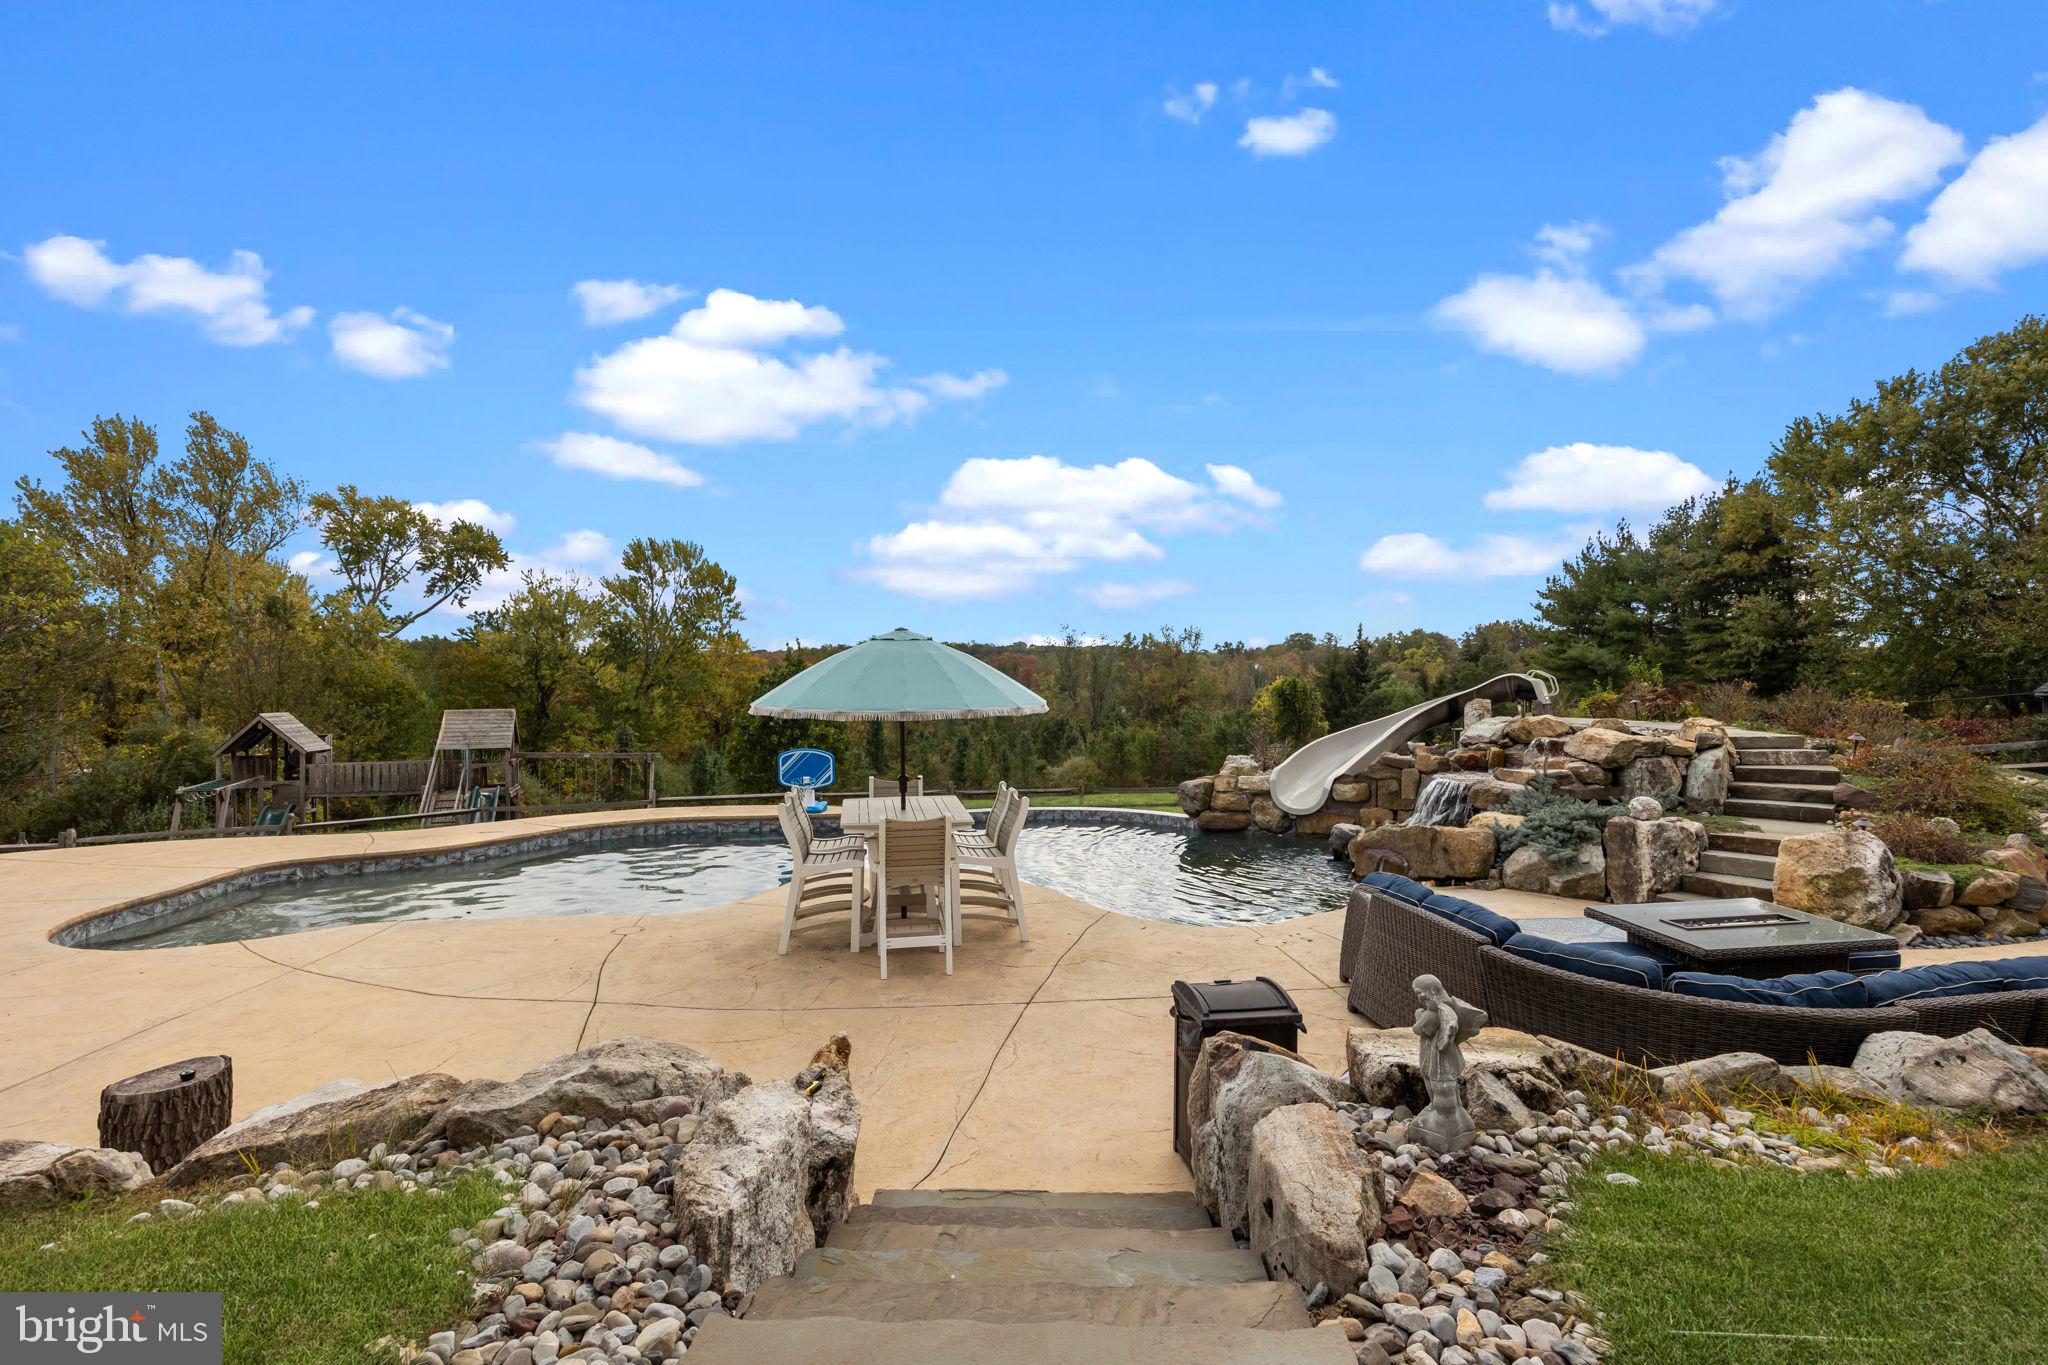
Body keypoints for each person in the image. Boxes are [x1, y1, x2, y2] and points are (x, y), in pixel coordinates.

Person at [1410, 973, 1485, 1153]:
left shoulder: (1433, 1014)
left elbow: (1420, 1029)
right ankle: (1444, 1109)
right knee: (1435, 1080)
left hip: (1437, 1057)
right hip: (1439, 1055)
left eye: (1420, 993)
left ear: (1431, 991)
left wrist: (1419, 1016)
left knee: (1438, 1083)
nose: (1418, 997)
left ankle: (1444, 1118)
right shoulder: (1442, 1009)